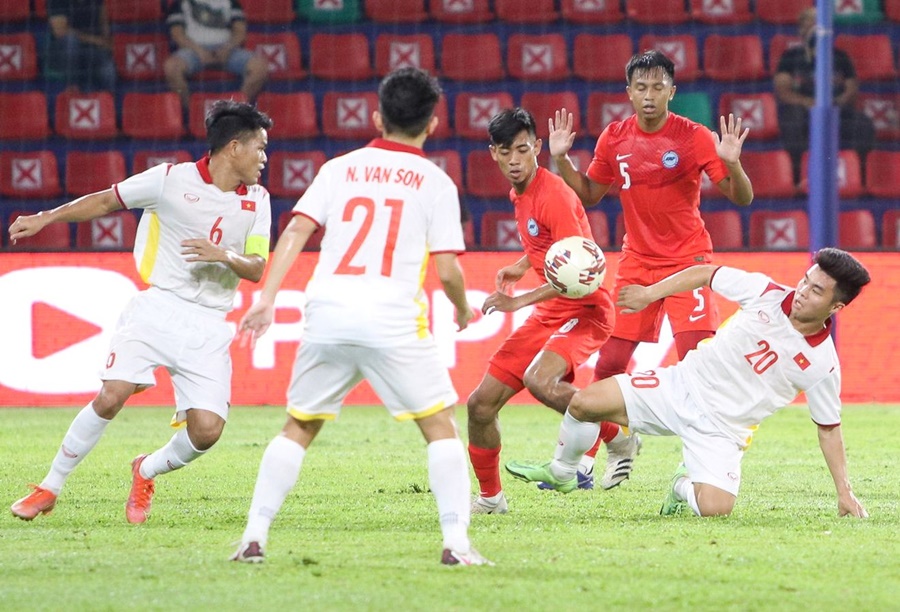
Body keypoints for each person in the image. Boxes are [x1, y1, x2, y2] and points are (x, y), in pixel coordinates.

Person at [231, 68, 490, 567]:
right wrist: (460, 309)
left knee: (298, 427)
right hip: (392, 318)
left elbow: (296, 232)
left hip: (327, 311)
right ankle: (456, 545)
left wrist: (266, 297)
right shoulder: (435, 182)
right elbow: (449, 270)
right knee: (440, 427)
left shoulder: (338, 168)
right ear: (433, 124)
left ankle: (253, 537)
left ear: (377, 116)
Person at [9, 101, 272, 524]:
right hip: (158, 307)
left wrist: (222, 255)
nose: (264, 158)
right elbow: (104, 202)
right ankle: (49, 487)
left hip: (208, 324)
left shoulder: (257, 200)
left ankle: (145, 469)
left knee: (207, 431)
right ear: (234, 147)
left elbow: (258, 268)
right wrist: (45, 217)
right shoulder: (169, 180)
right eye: (260, 148)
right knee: (113, 394)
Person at [507, 248, 870, 519]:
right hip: (679, 385)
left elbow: (828, 429)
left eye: (817, 291)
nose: (804, 291)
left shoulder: (823, 365)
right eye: (806, 280)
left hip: (723, 430)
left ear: (836, 307)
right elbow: (705, 272)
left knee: (716, 510)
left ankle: (683, 484)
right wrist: (651, 294)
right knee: (584, 402)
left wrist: (845, 492)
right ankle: (563, 471)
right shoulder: (766, 292)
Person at [549, 50, 754, 490]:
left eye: (658, 87)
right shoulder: (615, 138)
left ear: (672, 92)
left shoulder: (694, 137)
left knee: (698, 365)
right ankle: (592, 458)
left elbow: (742, 199)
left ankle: (699, 467)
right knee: (610, 364)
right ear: (628, 92)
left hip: (689, 263)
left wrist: (733, 162)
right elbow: (590, 194)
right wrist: (563, 161)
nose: (648, 96)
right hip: (637, 263)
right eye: (640, 87)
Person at [467, 108, 615, 515]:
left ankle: (616, 433)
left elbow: (580, 273)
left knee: (540, 381)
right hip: (555, 308)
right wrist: (522, 264)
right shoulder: (522, 192)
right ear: (493, 153)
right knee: (480, 406)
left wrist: (518, 300)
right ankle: (491, 499)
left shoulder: (556, 196)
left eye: (521, 150)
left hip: (585, 308)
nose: (513, 160)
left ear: (536, 147)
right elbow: (552, 252)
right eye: (504, 152)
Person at [774, 7, 876, 185]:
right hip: (803, 109)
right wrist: (807, 101)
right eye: (808, 25)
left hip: (836, 108)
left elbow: (851, 88)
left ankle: (858, 176)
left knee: (863, 123)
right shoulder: (791, 57)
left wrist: (836, 102)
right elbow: (783, 89)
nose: (813, 29)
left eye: (816, 24)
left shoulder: (840, 56)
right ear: (801, 30)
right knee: (793, 120)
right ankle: (800, 177)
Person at [164, 0, 269, 108]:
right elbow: (177, 34)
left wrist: (227, 48)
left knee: (259, 67)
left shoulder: (231, 2)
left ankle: (237, 110)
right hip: (193, 51)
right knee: (172, 68)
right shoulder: (180, 3)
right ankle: (191, 111)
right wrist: (199, 51)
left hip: (227, 49)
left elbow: (240, 31)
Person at [46, 0, 116, 92]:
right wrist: (96, 40)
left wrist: (106, 42)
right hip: (63, 54)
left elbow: (103, 22)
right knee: (71, 41)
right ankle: (72, 86)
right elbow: (61, 32)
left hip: (91, 50)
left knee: (108, 71)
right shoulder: (56, 2)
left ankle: (109, 101)